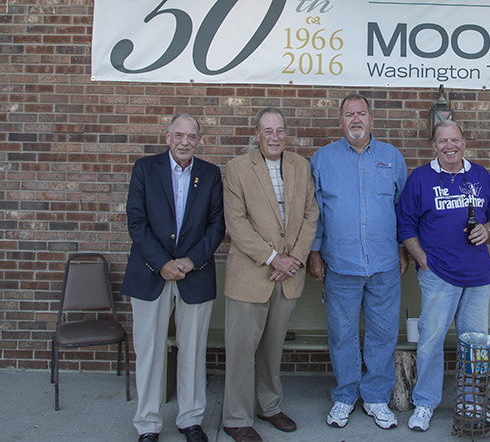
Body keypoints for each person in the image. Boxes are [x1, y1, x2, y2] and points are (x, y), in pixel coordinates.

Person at [396, 119, 490, 432]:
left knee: (475, 344)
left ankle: (470, 401)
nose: (449, 146)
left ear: (464, 142)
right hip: (438, 275)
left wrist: (488, 228)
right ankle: (425, 403)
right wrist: (423, 261)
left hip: (478, 276)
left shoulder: (480, 175)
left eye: (455, 140)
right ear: (434, 145)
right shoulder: (420, 178)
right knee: (430, 340)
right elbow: (405, 224)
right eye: (443, 141)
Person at [121, 114, 225, 442]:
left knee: (193, 350)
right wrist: (163, 262)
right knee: (149, 350)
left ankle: (191, 419)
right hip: (150, 272)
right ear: (167, 137)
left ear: (198, 140)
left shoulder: (209, 174)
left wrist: (190, 261)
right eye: (178, 135)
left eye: (191, 137)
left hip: (194, 274)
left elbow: (216, 226)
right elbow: (136, 222)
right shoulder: (145, 168)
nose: (185, 142)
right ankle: (148, 424)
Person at [307, 93, 408, 430]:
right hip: (341, 265)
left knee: (382, 334)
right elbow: (315, 212)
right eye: (348, 114)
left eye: (361, 113)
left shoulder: (392, 158)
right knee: (343, 334)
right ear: (340, 121)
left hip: (383, 265)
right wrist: (314, 251)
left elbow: (402, 210)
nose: (355, 120)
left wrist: (403, 249)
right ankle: (345, 397)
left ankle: (377, 398)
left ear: (371, 119)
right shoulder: (322, 159)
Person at [221, 107, 319, 442]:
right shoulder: (237, 169)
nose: (275, 137)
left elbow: (310, 215)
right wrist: (273, 258)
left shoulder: (300, 166)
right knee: (240, 350)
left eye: (280, 131)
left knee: (273, 347)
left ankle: (269, 405)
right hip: (251, 274)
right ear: (257, 134)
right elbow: (236, 223)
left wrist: (294, 259)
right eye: (268, 131)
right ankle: (235, 417)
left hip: (288, 274)